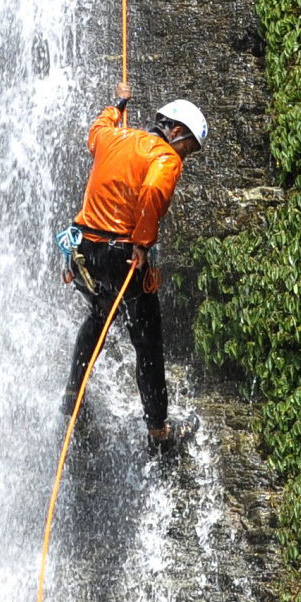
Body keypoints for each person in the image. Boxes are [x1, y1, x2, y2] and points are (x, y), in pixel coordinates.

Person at [63, 83, 207, 443]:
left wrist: (118, 104)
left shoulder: (113, 136)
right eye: (186, 148)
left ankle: (72, 395)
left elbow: (95, 131)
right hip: (121, 256)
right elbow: (154, 191)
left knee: (99, 316)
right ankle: (158, 431)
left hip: (84, 251)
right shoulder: (165, 157)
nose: (184, 158)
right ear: (175, 131)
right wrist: (142, 243)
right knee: (148, 340)